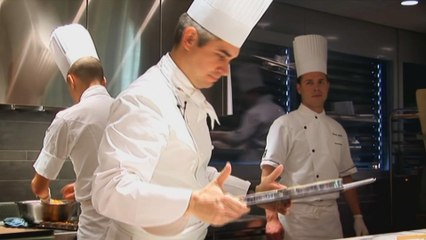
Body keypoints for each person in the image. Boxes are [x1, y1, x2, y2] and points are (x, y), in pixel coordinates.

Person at [90, 0, 288, 239]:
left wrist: (255, 194)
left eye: (230, 60)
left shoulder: (192, 100)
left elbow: (197, 177)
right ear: (190, 39)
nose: (226, 71)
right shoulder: (144, 99)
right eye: (221, 55)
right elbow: (110, 191)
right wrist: (190, 202)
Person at [259, 34, 369, 240]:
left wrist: (357, 216)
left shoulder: (337, 129)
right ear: (299, 88)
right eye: (309, 82)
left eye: (321, 82)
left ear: (328, 86)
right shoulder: (284, 125)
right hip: (295, 218)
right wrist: (271, 218)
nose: (316, 87)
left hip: (330, 220)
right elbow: (268, 174)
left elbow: (346, 177)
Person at [31, 24, 113, 240]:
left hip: (95, 231)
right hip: (131, 229)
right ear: (104, 81)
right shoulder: (127, 110)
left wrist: (46, 199)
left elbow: (39, 185)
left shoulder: (67, 119)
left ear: (71, 80)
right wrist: (83, 186)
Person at [211, 63, 284, 161]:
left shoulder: (255, 112)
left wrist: (213, 134)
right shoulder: (278, 109)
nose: (243, 98)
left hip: (255, 160)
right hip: (275, 159)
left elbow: (237, 139)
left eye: (245, 95)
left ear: (252, 93)